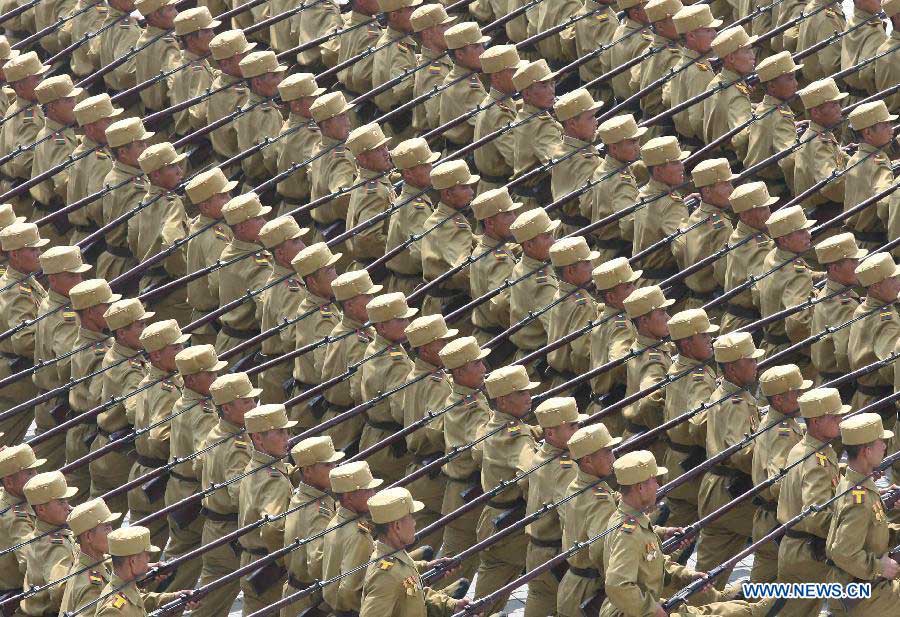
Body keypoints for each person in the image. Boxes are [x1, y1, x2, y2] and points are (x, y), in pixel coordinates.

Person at [601, 450, 767, 617]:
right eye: (654, 481)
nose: (658, 486)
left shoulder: (632, 519)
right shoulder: (628, 533)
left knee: (735, 610)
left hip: (642, 608)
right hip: (637, 612)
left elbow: (653, 564)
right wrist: (651, 610)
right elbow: (617, 585)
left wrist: (688, 577)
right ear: (640, 488)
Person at [694, 332, 764, 585]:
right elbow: (741, 453)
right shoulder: (735, 403)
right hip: (732, 493)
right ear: (733, 368)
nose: (756, 365)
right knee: (779, 544)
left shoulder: (728, 394)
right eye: (751, 361)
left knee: (708, 573)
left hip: (719, 489)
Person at [472, 365, 540, 615]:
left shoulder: (494, 424)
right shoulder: (516, 436)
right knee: (485, 602)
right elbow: (529, 477)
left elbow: (477, 453)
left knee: (490, 597)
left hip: (494, 521)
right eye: (521, 393)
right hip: (509, 529)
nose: (528, 397)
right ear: (502, 400)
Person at [776, 387, 848, 617]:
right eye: (835, 416)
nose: (841, 420)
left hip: (799, 549)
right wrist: (850, 531)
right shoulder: (816, 461)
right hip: (807, 553)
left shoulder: (807, 449)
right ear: (816, 421)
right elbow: (816, 516)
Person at [193, 373, 260, 617]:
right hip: (229, 532)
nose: (253, 406)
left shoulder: (216, 433)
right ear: (227, 408)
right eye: (246, 402)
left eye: (254, 400)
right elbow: (239, 494)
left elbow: (197, 466)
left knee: (212, 604)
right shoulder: (236, 446)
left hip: (214, 528)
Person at [164, 345, 228, 592]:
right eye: (210, 374)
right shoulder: (203, 412)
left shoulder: (185, 401)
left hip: (180, 487)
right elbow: (204, 459)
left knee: (180, 557)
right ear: (191, 379)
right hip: (192, 493)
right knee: (183, 565)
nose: (217, 378)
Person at [826, 412, 900, 615]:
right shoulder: (859, 500)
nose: (885, 447)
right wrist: (879, 567)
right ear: (867, 452)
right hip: (863, 592)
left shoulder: (856, 482)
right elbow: (841, 552)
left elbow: (870, 529)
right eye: (880, 443)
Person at [359, 487, 472, 617]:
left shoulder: (396, 558)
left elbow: (412, 594)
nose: (414, 523)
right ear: (397, 526)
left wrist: (452, 606)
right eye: (410, 517)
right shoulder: (386, 575)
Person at [129, 319, 190, 548]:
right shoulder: (166, 391)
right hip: (155, 477)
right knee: (145, 551)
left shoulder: (149, 381)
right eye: (176, 348)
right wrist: (183, 445)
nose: (182, 352)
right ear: (156, 356)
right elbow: (158, 438)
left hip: (143, 472)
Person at [398, 314, 457, 550]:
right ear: (424, 350)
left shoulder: (415, 375)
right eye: (440, 343)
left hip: (421, 469)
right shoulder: (435, 382)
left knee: (421, 544)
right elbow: (436, 429)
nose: (446, 347)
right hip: (434, 471)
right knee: (451, 541)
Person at [438, 337, 491, 584]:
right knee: (453, 570)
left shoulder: (457, 396)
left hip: (458, 492)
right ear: (459, 372)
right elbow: (481, 451)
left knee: (458, 565)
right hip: (468, 494)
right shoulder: (473, 406)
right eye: (477, 364)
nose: (484, 369)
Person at [93, 299, 152, 519]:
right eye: (140, 326)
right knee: (107, 525)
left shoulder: (117, 353)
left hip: (105, 447)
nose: (145, 332)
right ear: (122, 333)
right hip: (118, 457)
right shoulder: (130, 370)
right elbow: (134, 411)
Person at [523, 397, 583, 617]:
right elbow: (571, 517)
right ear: (550, 434)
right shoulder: (565, 468)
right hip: (556, 554)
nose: (578, 430)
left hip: (536, 550)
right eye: (572, 426)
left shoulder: (541, 455)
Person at [750, 364, 809, 583]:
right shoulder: (783, 432)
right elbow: (777, 482)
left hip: (769, 518)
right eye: (796, 393)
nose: (801, 398)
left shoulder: (777, 422)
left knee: (765, 589)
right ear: (778, 400)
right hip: (776, 519)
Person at [556, 423, 621, 617]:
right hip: (590, 591)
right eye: (607, 452)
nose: (613, 458)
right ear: (587, 461)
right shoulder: (599, 500)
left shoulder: (577, 485)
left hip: (572, 585)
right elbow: (601, 549)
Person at [661, 308, 717, 528]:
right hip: (690, 465)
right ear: (686, 344)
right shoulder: (698, 378)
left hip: (676, 459)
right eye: (703, 336)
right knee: (681, 532)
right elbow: (699, 423)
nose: (709, 340)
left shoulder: (679, 367)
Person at [238, 404, 296, 614]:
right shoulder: (274, 480)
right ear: (258, 439)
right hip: (269, 566)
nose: (286, 438)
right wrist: (286, 560)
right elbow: (273, 529)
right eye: (280, 432)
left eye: (287, 431)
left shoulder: (255, 466)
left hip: (253, 561)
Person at [66, 279, 119, 503]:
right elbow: (99, 399)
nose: (112, 311)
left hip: (81, 429)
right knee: (82, 506)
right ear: (90, 312)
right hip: (86, 434)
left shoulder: (96, 342)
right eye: (106, 307)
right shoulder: (96, 353)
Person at [281, 436, 344, 617]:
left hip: (295, 591)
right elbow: (318, 564)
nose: (334, 470)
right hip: (310, 599)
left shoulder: (301, 496)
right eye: (327, 465)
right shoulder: (318, 511)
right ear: (308, 471)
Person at [359, 293, 418, 483]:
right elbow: (403, 412)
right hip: (392, 447)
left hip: (372, 437)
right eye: (400, 320)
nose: (407, 323)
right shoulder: (396, 363)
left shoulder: (373, 347)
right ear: (382, 327)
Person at [318, 270, 381, 450]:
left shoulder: (342, 329)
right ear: (351, 306)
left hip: (338, 419)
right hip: (348, 425)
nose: (373, 301)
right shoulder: (357, 340)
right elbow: (359, 391)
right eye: (367, 297)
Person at [132, 142, 191, 325]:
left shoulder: (143, 203)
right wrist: (181, 272)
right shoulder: (172, 203)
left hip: (149, 283)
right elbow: (171, 243)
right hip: (172, 288)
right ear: (156, 174)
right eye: (172, 167)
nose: (179, 171)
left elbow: (134, 238)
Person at [0, 214, 45, 448]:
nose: (38, 254)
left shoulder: (24, 280)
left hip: (13, 377)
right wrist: (52, 341)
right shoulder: (18, 292)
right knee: (6, 446)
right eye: (33, 250)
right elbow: (24, 340)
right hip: (18, 381)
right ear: (15, 255)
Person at [757, 204, 819, 372]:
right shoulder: (797, 274)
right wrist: (813, 351)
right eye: (801, 232)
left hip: (770, 347)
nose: (809, 235)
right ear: (784, 240)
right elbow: (797, 323)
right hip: (791, 357)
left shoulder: (773, 256)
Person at [215, 193, 273, 361]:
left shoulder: (229, 251)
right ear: (241, 228)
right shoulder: (255, 263)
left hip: (226, 341)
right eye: (258, 219)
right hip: (246, 348)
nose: (264, 223)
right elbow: (265, 307)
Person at [257, 217, 309, 404]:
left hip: (275, 371)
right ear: (280, 253)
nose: (303, 246)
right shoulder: (290, 290)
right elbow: (291, 339)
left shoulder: (279, 279)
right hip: (282, 374)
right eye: (295, 242)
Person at [672, 158, 735, 314]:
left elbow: (678, 249)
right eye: (725, 184)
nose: (731, 190)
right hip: (713, 308)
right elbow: (723, 275)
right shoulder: (721, 226)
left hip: (692, 303)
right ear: (706, 191)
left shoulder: (695, 214)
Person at [289, 243, 342, 428]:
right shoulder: (322, 319)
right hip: (313, 410)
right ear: (312, 282)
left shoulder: (311, 304)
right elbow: (325, 368)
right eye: (329, 271)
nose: (336, 277)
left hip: (305, 400)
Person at [321, 461, 383, 615]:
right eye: (367, 490)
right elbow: (350, 591)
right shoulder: (358, 535)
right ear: (348, 497)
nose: (374, 494)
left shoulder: (336, 521)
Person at [420, 160, 480, 317]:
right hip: (451, 307)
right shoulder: (453, 226)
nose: (472, 192)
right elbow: (462, 272)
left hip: (438, 303)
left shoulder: (444, 217)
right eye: (465, 187)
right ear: (447, 194)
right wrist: (485, 285)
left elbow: (476, 242)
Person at [588, 258, 641, 437]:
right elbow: (619, 361)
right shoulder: (621, 324)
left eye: (633, 284)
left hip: (601, 407)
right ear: (611, 297)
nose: (634, 290)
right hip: (614, 414)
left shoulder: (603, 317)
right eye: (628, 287)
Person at [183, 168, 236, 346]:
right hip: (213, 323)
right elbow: (219, 283)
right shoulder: (215, 237)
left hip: (204, 321)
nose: (229, 200)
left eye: (228, 194)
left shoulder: (200, 224)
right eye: (223, 196)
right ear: (205, 206)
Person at [621, 285, 675, 459]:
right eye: (662, 313)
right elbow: (650, 400)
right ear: (644, 321)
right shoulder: (654, 360)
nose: (668, 318)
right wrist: (664, 430)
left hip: (636, 436)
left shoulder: (641, 346)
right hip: (651, 445)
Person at [97, 117, 153, 282]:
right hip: (127, 266)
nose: (146, 148)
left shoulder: (122, 174)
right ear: (122, 152)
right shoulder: (131, 185)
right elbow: (137, 233)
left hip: (119, 260)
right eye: (141, 145)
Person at [384, 138, 441, 296]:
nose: (431, 168)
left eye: (430, 164)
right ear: (408, 173)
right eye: (424, 166)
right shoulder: (416, 208)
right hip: (412, 286)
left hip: (406, 282)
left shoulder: (412, 199)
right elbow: (421, 253)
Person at [809, 234, 865, 393]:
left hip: (828, 380)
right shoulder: (842, 305)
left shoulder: (830, 291)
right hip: (842, 385)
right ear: (834, 268)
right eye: (853, 262)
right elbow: (844, 354)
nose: (858, 265)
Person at [585, 114, 645, 261]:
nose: (638, 147)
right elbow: (629, 228)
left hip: (603, 251)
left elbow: (586, 207)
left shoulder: (603, 168)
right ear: (614, 148)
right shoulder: (621, 182)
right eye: (632, 142)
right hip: (618, 256)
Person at [95, 526, 191, 617]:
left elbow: (139, 599)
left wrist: (174, 597)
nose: (149, 559)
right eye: (146, 555)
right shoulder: (114, 611)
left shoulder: (126, 588)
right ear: (133, 561)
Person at [718, 182, 775, 334]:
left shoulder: (739, 234)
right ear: (744, 215)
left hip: (734, 320)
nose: (768, 213)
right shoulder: (758, 246)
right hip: (747, 326)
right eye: (762, 209)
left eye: (767, 207)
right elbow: (761, 294)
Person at [633, 136, 689, 291]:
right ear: (658, 170)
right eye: (675, 163)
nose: (682, 167)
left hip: (644, 282)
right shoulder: (672, 205)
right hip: (665, 287)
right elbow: (682, 249)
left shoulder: (643, 193)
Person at [545, 237, 600, 394]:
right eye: (586, 264)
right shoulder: (582, 304)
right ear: (570, 271)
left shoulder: (561, 293)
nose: (592, 267)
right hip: (575, 386)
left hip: (560, 381)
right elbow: (583, 351)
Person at [67, 94, 123, 247]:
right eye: (107, 121)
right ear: (90, 128)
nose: (112, 125)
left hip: (81, 236)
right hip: (95, 239)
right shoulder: (101, 160)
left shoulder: (79, 151)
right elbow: (97, 206)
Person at [468, 188, 520, 353]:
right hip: (500, 342)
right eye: (507, 215)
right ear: (489, 223)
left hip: (485, 336)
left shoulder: (483, 249)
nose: (514, 219)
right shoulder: (499, 260)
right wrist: (518, 327)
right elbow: (500, 304)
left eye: (513, 213)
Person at [743, 52, 802, 197]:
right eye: (790, 78)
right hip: (774, 190)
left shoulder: (765, 107)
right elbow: (788, 161)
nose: (796, 84)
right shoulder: (780, 116)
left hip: (757, 183)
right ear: (772, 86)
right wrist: (797, 191)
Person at [19, 471, 76, 616]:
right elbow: (60, 590)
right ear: (41, 509)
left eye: (66, 501)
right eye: (61, 502)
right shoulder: (54, 545)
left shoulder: (44, 534)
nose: (68, 507)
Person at [844, 101, 897, 250]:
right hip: (874, 244)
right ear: (867, 133)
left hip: (857, 241)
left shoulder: (855, 158)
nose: (891, 129)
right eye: (885, 125)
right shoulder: (878, 163)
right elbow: (884, 203)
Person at [511, 60, 562, 211]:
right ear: (527, 94)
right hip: (536, 205)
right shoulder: (541, 125)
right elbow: (560, 165)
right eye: (544, 86)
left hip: (526, 199)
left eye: (552, 83)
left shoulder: (526, 114)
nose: (552, 90)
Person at [549, 89, 602, 233]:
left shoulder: (565, 148)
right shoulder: (581, 160)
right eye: (590, 118)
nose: (596, 122)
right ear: (572, 124)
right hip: (582, 232)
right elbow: (590, 206)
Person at [666, 4, 720, 143]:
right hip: (699, 145)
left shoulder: (682, 62)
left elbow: (666, 98)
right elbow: (698, 119)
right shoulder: (698, 71)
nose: (715, 34)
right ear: (691, 36)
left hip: (686, 141)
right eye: (708, 30)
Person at [701, 25, 757, 160]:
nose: (753, 56)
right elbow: (741, 138)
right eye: (747, 51)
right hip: (733, 164)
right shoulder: (737, 95)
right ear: (731, 58)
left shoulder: (717, 81)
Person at [345, 123, 396, 269]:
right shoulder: (375, 193)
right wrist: (399, 246)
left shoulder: (368, 180)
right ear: (363, 159)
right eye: (379, 150)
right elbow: (368, 238)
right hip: (377, 270)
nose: (386, 152)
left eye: (385, 146)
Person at [274, 73, 324, 219]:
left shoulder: (289, 125)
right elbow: (315, 174)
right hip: (302, 212)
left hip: (286, 207)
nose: (318, 101)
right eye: (312, 98)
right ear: (295, 105)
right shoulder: (309, 134)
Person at [58, 498, 120, 614]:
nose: (112, 533)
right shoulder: (92, 586)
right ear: (88, 537)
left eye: (110, 526)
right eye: (106, 528)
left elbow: (108, 562)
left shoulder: (92, 562)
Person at [473, 44, 521, 195]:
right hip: (498, 191)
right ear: (496, 77)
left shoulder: (499, 101)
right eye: (514, 71)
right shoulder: (499, 112)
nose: (520, 75)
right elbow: (515, 158)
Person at [0, 444, 43, 597]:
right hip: (17, 592)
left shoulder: (6, 496)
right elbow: (28, 563)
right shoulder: (17, 518)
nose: (36, 476)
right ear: (9, 482)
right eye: (29, 473)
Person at [438, 22, 488, 149]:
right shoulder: (467, 88)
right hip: (464, 153)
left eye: (482, 45)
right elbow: (486, 124)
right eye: (477, 47)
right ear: (460, 54)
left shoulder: (457, 76)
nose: (483, 51)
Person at [133, 0, 180, 116]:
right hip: (167, 117)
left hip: (152, 113)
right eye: (170, 9)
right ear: (155, 16)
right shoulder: (167, 45)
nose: (176, 13)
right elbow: (176, 84)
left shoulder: (143, 38)